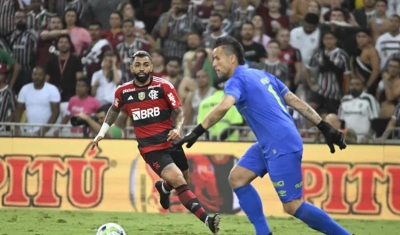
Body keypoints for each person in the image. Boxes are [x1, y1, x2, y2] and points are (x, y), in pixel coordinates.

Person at [174, 36, 350, 235]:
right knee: (238, 177)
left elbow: (224, 106)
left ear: (232, 59)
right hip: (270, 142)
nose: (213, 63)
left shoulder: (236, 80)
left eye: (217, 58)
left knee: (293, 206)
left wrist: (196, 131)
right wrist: (324, 126)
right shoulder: (262, 75)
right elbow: (293, 100)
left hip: (280, 143)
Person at [90, 51, 220, 234]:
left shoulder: (164, 87)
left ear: (151, 67)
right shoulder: (124, 91)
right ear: (131, 67)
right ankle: (208, 220)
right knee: (179, 179)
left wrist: (178, 128)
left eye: (145, 64)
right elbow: (113, 110)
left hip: (171, 141)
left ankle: (163, 188)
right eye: (137, 65)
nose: (141, 68)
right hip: (150, 148)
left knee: (183, 180)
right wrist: (101, 133)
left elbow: (180, 112)